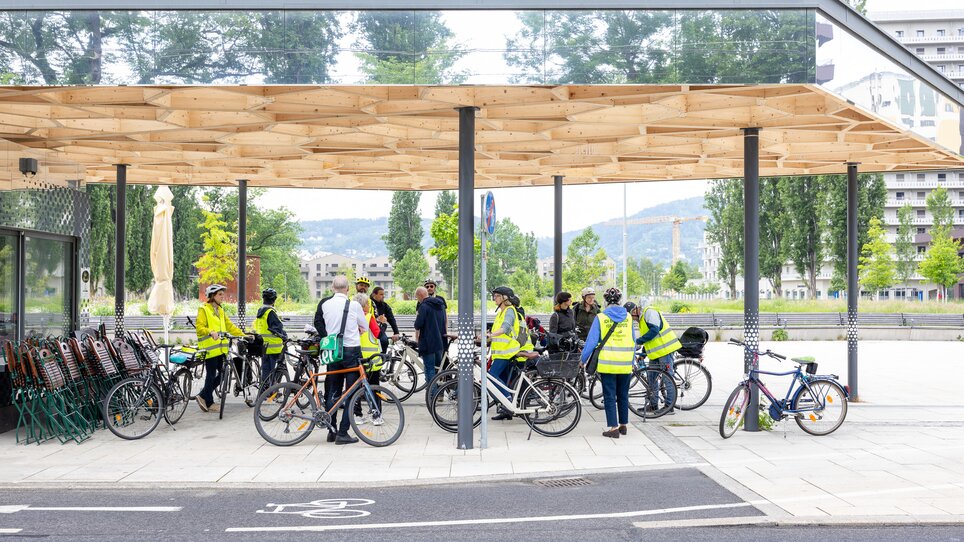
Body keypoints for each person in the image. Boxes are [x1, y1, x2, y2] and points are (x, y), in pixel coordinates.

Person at [321, 275, 370, 445]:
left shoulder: (325, 304)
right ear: (348, 289)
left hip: (333, 350)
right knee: (351, 391)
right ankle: (343, 432)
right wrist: (356, 328)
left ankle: (331, 431)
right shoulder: (354, 305)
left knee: (333, 390)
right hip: (351, 351)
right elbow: (364, 326)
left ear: (332, 288)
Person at [581, 287, 636, 438]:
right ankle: (623, 425)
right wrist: (632, 361)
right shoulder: (628, 317)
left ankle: (613, 428)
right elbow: (633, 340)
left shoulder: (600, 317)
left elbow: (591, 342)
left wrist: (583, 360)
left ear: (605, 301)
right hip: (625, 363)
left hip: (608, 363)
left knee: (610, 395)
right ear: (620, 301)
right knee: (623, 394)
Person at [195, 284, 246, 414]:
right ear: (212, 296)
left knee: (224, 374)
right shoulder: (203, 309)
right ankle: (209, 402)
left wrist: (244, 335)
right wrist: (210, 331)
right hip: (210, 349)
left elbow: (229, 326)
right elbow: (199, 327)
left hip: (221, 349)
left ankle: (203, 395)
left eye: (223, 294)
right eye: (220, 294)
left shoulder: (220, 310)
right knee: (211, 375)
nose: (223, 296)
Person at [635, 298, 681, 411]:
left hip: (665, 350)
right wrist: (643, 354)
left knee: (667, 378)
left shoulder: (649, 312)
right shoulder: (642, 318)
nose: (633, 319)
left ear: (636, 310)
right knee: (651, 378)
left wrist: (638, 341)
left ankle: (669, 407)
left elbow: (654, 331)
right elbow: (650, 340)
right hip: (656, 353)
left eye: (632, 316)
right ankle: (653, 405)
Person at [487, 286, 524, 420]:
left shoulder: (509, 311)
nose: (494, 298)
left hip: (507, 352)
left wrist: (490, 335)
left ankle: (508, 400)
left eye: (497, 296)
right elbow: (497, 332)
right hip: (500, 352)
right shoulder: (501, 313)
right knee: (503, 382)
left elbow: (505, 328)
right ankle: (506, 411)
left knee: (491, 377)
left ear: (505, 298)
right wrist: (486, 336)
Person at [253, 288, 288, 403]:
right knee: (277, 372)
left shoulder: (261, 311)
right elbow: (277, 328)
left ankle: (263, 394)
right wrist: (284, 335)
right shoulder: (270, 312)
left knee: (266, 372)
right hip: (275, 347)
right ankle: (273, 393)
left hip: (265, 346)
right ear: (274, 300)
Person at [355, 292, 385, 426]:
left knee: (356, 387)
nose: (369, 305)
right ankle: (376, 415)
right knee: (374, 387)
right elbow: (378, 334)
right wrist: (383, 324)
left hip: (356, 358)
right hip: (371, 360)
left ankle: (357, 415)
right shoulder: (368, 317)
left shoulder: (351, 318)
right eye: (367, 303)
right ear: (363, 306)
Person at [414, 286, 446, 398]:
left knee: (429, 369)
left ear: (420, 295)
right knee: (438, 369)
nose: (417, 300)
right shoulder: (440, 304)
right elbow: (444, 320)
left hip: (428, 342)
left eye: (417, 297)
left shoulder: (424, 306)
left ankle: (432, 396)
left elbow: (418, 324)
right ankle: (440, 394)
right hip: (440, 341)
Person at [370, 286, 399, 353]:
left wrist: (396, 332)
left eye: (384, 294)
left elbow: (391, 319)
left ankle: (382, 357)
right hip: (368, 329)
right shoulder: (368, 303)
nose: (383, 296)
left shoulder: (385, 306)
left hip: (380, 330)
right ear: (374, 295)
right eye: (381, 294)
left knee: (384, 341)